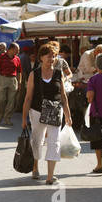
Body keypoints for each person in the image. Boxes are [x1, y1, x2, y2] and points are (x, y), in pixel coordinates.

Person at [22, 43, 72, 184]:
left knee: (54, 141)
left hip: (56, 110)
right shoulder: (34, 74)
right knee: (37, 140)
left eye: (54, 56)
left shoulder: (58, 73)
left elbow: (63, 95)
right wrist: (24, 117)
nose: (52, 59)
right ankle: (35, 166)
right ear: (41, 57)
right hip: (37, 110)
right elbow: (28, 97)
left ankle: (50, 175)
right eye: (49, 56)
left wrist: (68, 114)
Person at [0, 42, 22, 125]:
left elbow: (19, 72)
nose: (18, 52)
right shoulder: (2, 57)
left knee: (11, 101)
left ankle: (7, 118)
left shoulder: (17, 59)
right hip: (3, 78)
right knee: (1, 99)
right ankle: (1, 114)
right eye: (17, 50)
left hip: (13, 80)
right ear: (11, 49)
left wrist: (19, 83)